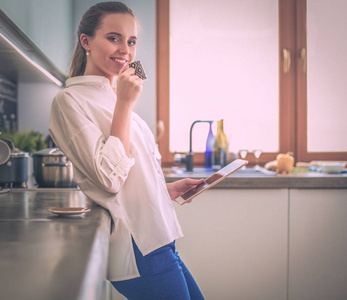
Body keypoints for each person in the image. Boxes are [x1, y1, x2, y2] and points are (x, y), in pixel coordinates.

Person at [49, 2, 205, 299]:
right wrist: (124, 104)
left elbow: (130, 172)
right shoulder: (70, 101)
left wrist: (165, 190)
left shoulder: (115, 95)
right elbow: (109, 178)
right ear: (86, 41)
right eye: (113, 38)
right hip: (138, 247)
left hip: (160, 239)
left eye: (131, 41)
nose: (125, 50)